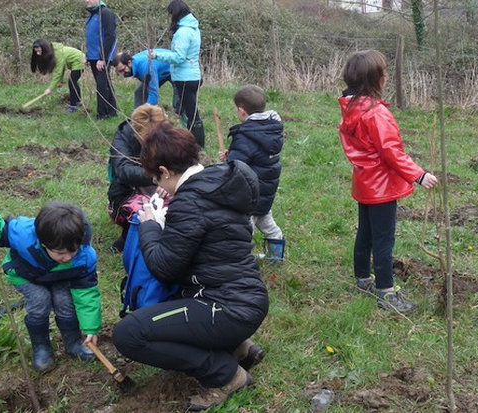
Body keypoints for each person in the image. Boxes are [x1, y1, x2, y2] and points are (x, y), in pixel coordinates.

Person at [112, 122, 268, 411]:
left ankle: (225, 374)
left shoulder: (191, 203)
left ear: (165, 172)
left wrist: (149, 225)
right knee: (171, 306)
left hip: (225, 307)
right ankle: (238, 347)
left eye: (156, 179)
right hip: (246, 298)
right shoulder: (218, 184)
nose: (158, 186)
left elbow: (163, 267)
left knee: (128, 334)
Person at [338, 50, 438, 315]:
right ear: (376, 80)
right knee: (383, 240)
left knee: (366, 233)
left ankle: (362, 279)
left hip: (364, 182)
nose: (386, 77)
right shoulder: (376, 114)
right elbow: (392, 152)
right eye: (383, 73)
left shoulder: (350, 108)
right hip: (381, 186)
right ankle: (386, 292)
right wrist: (419, 175)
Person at [0, 200, 101, 372]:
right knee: (41, 300)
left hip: (61, 275)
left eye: (73, 251)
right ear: (43, 243)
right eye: (61, 253)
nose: (68, 257)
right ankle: (41, 347)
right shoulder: (22, 234)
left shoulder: (84, 258)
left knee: (64, 301)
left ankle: (73, 342)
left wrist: (91, 328)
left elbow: (87, 293)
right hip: (26, 275)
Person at [218, 84, 285, 262]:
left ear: (241, 111)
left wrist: (228, 161)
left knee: (244, 227)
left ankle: (241, 259)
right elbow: (256, 155)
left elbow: (237, 166)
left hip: (249, 193)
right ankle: (277, 256)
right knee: (267, 222)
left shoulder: (245, 135)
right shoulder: (272, 129)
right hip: (266, 191)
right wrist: (231, 154)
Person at [107, 104, 171, 252]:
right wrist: (158, 178)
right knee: (140, 211)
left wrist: (171, 183)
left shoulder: (170, 134)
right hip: (128, 191)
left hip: (163, 189)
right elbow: (123, 169)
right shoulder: (123, 137)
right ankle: (128, 236)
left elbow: (182, 162)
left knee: (182, 205)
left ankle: (166, 237)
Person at [149, 0, 205, 147]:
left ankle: (198, 145)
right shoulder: (193, 28)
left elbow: (179, 57)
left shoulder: (183, 32)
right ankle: (193, 141)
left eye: (170, 14)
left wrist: (156, 55)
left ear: (175, 14)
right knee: (187, 110)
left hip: (185, 77)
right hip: (192, 75)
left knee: (191, 114)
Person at [84, 0, 118, 120]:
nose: (86, 1)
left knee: (102, 85)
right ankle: (112, 111)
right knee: (105, 83)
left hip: (102, 57)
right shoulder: (92, 15)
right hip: (94, 57)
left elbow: (111, 36)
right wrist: (88, 56)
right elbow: (92, 37)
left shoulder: (106, 13)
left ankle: (102, 115)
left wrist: (102, 58)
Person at [30, 39, 84, 113]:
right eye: (36, 51)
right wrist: (61, 81)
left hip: (79, 60)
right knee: (73, 82)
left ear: (44, 49)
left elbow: (58, 73)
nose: (38, 53)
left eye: (39, 51)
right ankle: (78, 101)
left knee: (72, 82)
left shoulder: (57, 54)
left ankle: (73, 107)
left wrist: (50, 88)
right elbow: (61, 69)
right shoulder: (52, 52)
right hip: (76, 61)